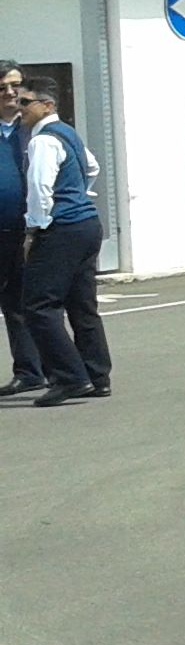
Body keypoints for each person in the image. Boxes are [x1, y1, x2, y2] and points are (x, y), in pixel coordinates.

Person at [19, 80, 111, 406]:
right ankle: (97, 375)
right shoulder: (67, 133)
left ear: (47, 105)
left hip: (63, 228)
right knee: (82, 305)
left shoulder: (43, 140)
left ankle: (70, 377)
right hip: (87, 224)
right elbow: (93, 165)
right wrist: (79, 193)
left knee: (38, 306)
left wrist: (35, 229)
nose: (20, 109)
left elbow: (40, 189)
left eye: (25, 102)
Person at [0, 63, 44, 398]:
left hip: (33, 230)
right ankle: (30, 371)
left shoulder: (36, 127)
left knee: (34, 303)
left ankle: (48, 371)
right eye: (2, 87)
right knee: (12, 303)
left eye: (16, 86)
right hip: (2, 228)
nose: (10, 93)